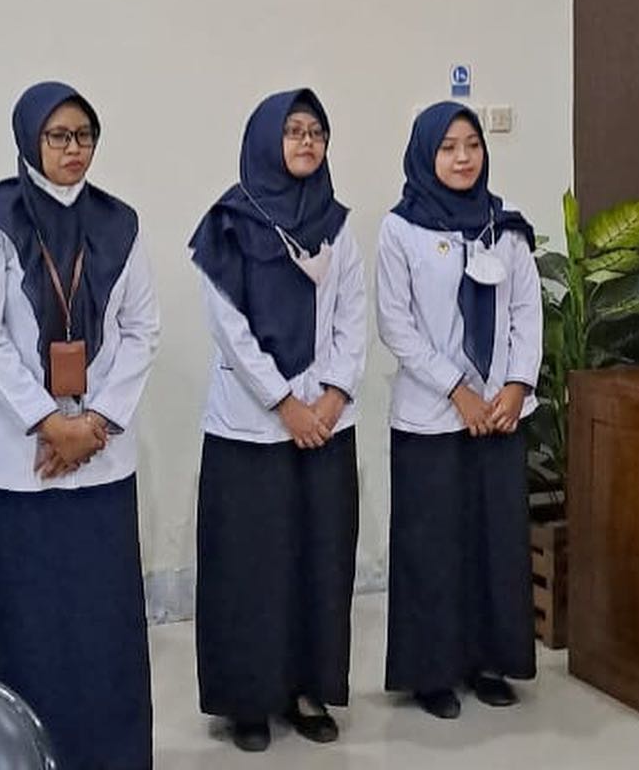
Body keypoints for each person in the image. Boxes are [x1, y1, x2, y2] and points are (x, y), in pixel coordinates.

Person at [0, 82, 159, 770]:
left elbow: (141, 330)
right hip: (16, 464)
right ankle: (22, 755)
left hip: (99, 458)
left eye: (84, 136)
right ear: (29, 139)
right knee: (27, 627)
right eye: (58, 136)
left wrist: (93, 422)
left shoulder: (120, 223)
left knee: (103, 624)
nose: (74, 149)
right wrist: (48, 422)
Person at [189, 90, 366, 753]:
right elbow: (229, 328)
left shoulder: (338, 225)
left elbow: (353, 316)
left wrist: (332, 397)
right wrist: (285, 404)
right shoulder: (228, 223)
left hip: (326, 425)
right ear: (266, 139)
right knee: (250, 567)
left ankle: (308, 689)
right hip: (251, 428)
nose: (306, 142)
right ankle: (249, 701)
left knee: (320, 559)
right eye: (293, 130)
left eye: (316, 131)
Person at [376, 102, 542, 719]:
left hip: (499, 414)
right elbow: (396, 324)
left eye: (472, 144)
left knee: (495, 543)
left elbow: (526, 312)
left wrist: (516, 387)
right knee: (434, 548)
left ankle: (490, 663)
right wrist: (457, 390)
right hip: (431, 417)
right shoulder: (401, 230)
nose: (463, 157)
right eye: (448, 147)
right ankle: (433, 674)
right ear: (426, 154)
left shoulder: (506, 225)